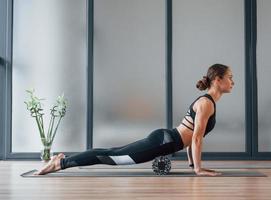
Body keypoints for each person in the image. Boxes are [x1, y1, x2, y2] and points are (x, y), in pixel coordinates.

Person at [34, 63, 234, 176]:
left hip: (166, 140)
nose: (233, 82)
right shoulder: (206, 103)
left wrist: (194, 166)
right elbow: (197, 138)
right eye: (230, 77)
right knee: (111, 157)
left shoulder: (208, 103)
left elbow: (193, 138)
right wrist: (199, 170)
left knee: (111, 153)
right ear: (217, 80)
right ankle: (59, 163)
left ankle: (61, 160)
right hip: (164, 141)